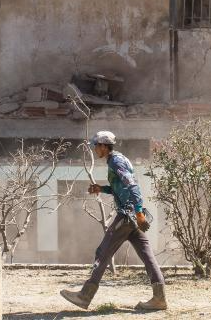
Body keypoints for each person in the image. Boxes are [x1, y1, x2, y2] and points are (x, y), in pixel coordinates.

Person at [61, 131, 167, 312]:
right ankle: (159, 298)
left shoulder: (116, 162)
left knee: (103, 252)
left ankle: (84, 296)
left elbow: (132, 185)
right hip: (132, 215)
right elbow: (120, 188)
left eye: (96, 146)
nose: (95, 149)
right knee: (147, 255)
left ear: (104, 146)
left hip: (126, 216)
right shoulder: (118, 159)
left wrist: (139, 212)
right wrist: (101, 188)